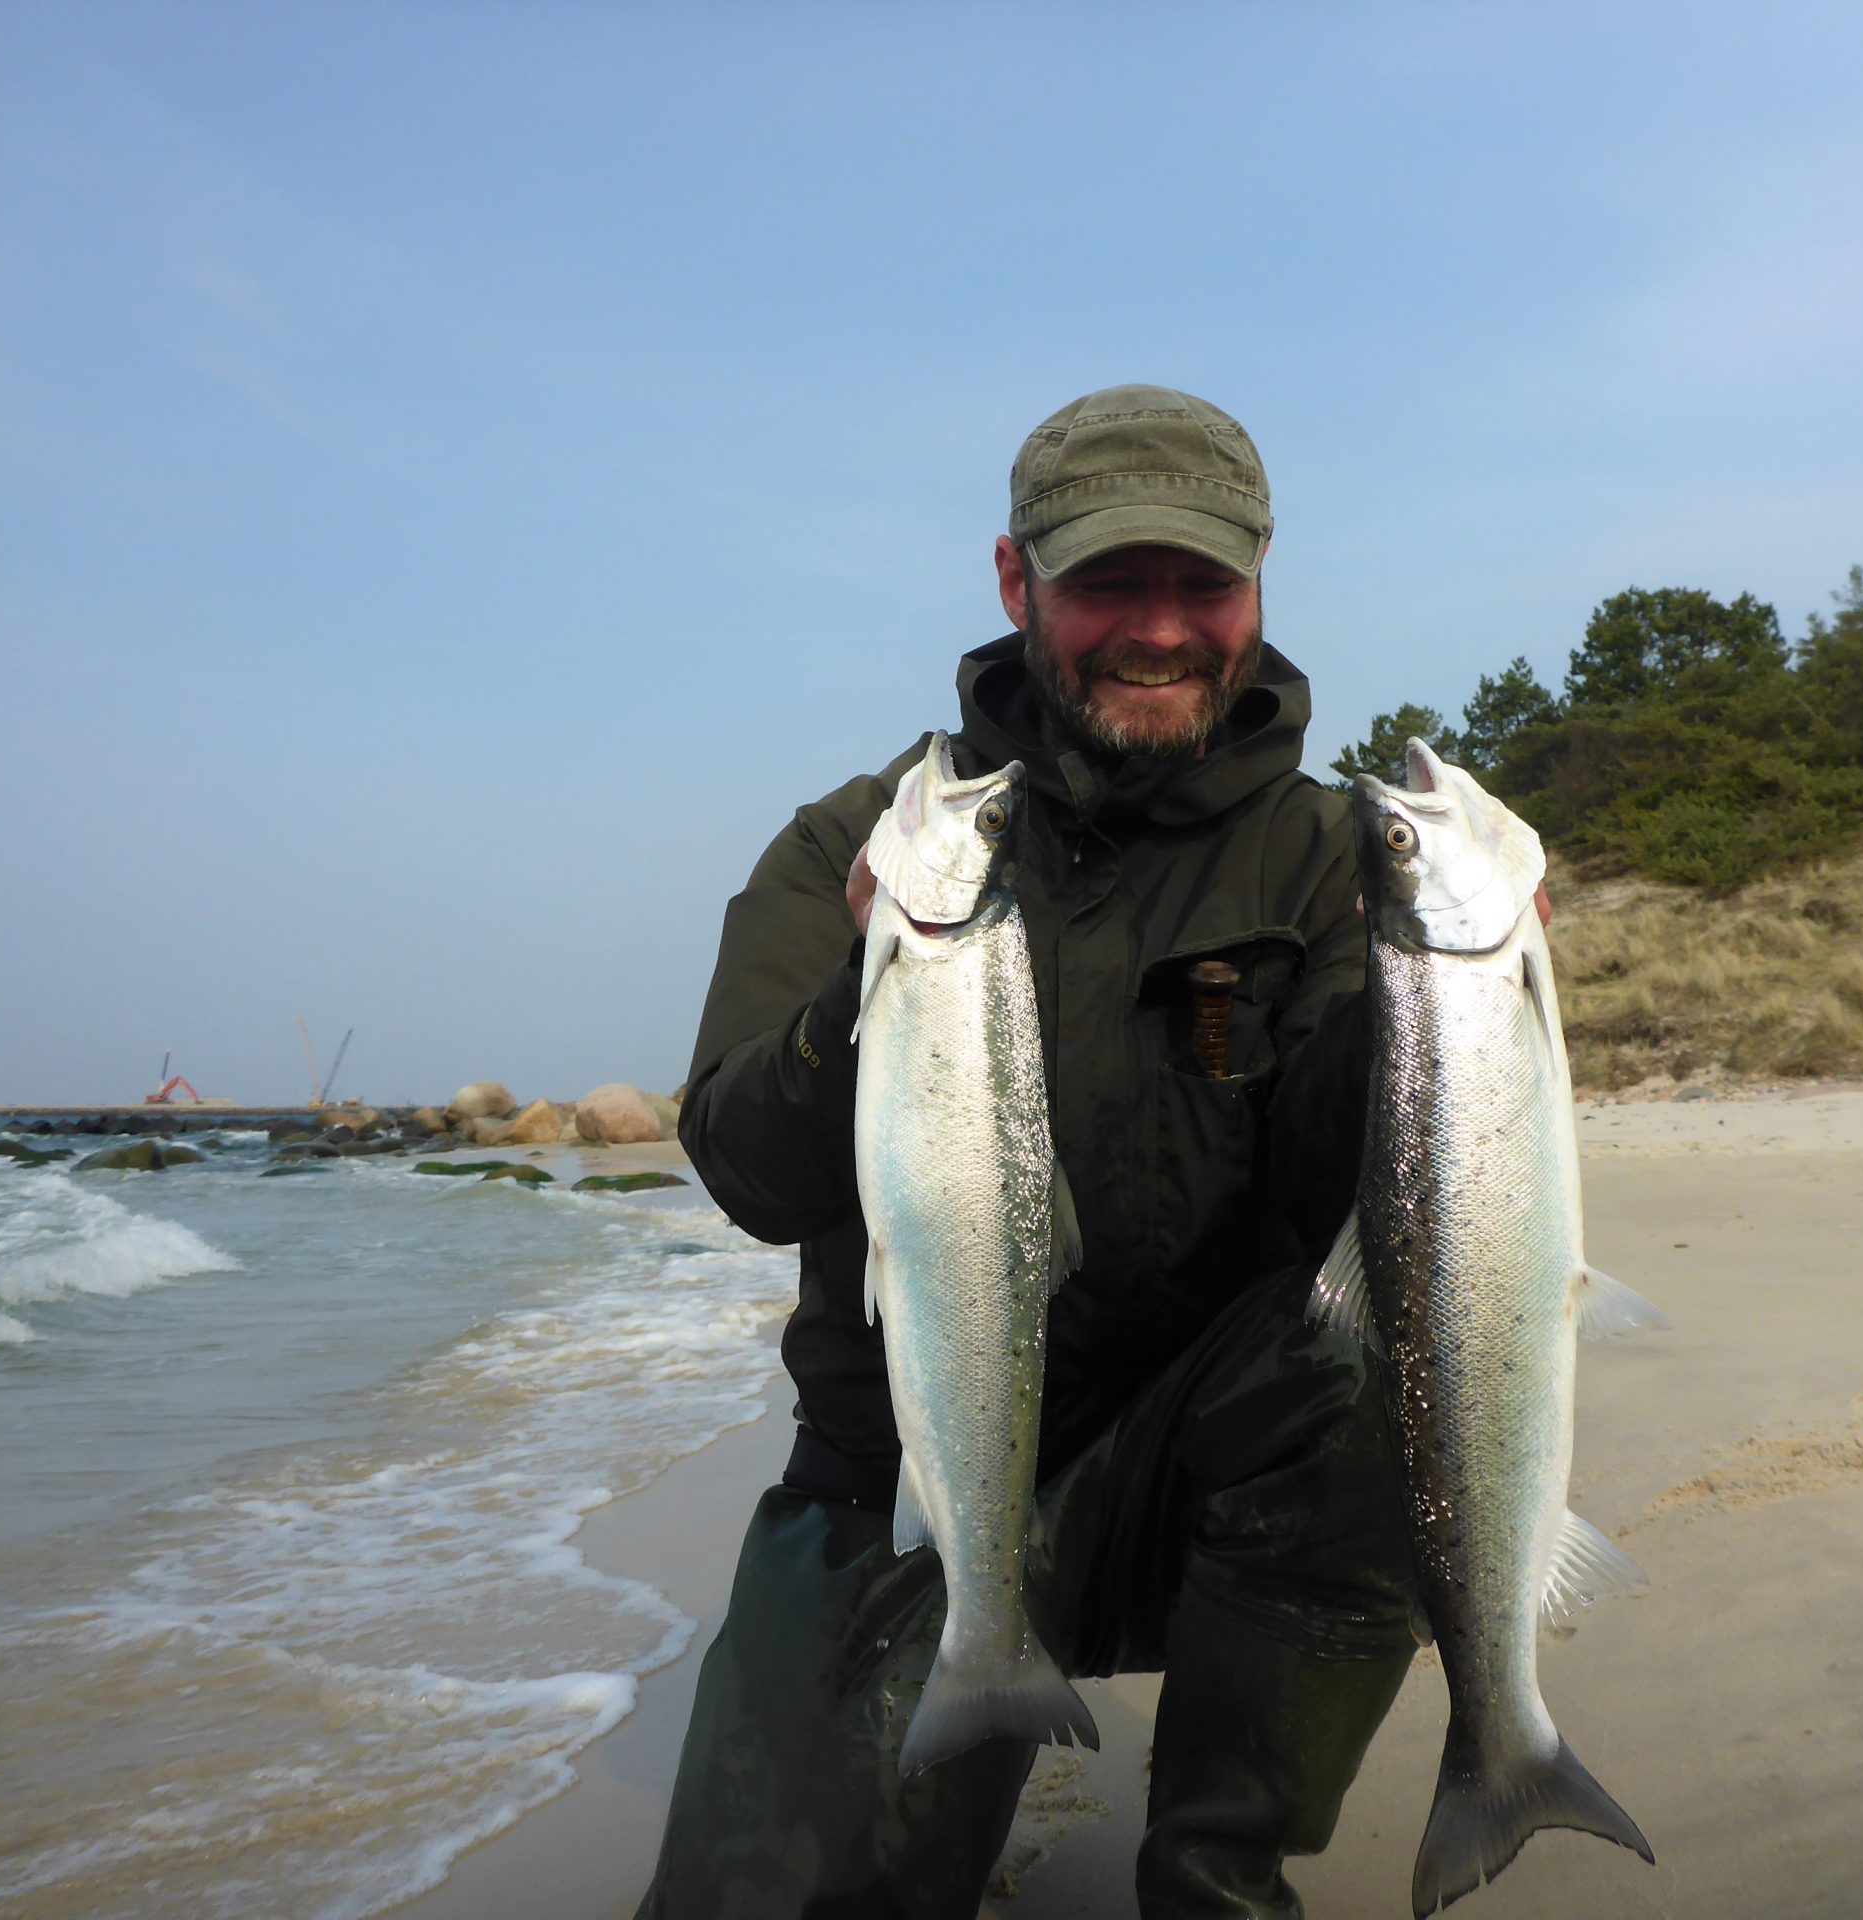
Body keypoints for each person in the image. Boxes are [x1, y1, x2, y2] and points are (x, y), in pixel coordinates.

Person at [637, 385, 1480, 1919]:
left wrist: (1451, 1019)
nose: (1158, 629)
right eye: (1107, 583)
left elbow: (1342, 1193)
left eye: (1201, 585)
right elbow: (750, 1175)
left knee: (1381, 1366)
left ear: (1258, 589)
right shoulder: (864, 843)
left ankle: (1220, 1877)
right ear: (1017, 581)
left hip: (1204, 1487)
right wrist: (870, 988)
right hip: (905, 1481)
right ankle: (958, 1691)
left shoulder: (1329, 859)